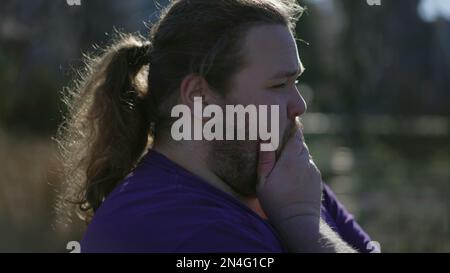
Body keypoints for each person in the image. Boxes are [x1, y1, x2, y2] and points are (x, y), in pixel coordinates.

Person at [57, 0, 374, 253]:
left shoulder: (283, 182)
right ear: (198, 98)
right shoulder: (182, 230)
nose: (299, 105)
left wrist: (303, 218)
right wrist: (305, 226)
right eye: (279, 85)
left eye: (296, 81)